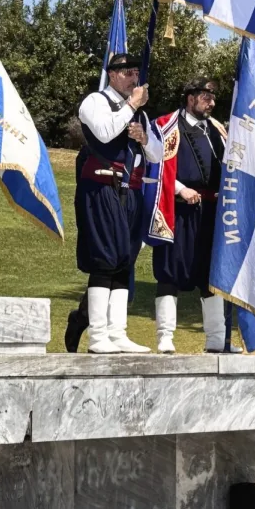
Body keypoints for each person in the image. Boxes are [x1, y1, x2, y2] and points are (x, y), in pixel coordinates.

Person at [73, 53, 160, 354]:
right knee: (105, 259)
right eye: (126, 73)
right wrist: (132, 105)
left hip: (131, 193)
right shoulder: (95, 102)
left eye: (136, 73)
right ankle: (97, 337)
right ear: (112, 74)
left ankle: (117, 333)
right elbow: (105, 131)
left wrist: (145, 138)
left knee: (125, 261)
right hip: (101, 188)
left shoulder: (140, 115)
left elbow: (157, 156)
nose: (133, 78)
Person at [149, 77, 226, 353]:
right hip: (178, 211)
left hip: (212, 214)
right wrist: (181, 190)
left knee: (212, 276)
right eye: (207, 97)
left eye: (213, 97)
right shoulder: (166, 126)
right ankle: (165, 337)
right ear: (191, 97)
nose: (212, 103)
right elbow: (155, 168)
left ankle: (217, 340)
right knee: (170, 272)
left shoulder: (218, 130)